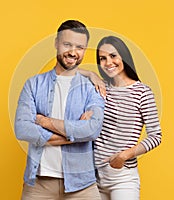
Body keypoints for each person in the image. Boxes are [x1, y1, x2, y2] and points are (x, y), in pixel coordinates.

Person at [14, 20, 105, 200]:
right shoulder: (33, 84)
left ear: (85, 50)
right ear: (56, 43)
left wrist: (44, 122)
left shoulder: (91, 88)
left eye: (79, 47)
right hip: (39, 183)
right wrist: (74, 134)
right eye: (67, 44)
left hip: (82, 184)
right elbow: (22, 128)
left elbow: (92, 129)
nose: (72, 52)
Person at [80, 36, 162, 200]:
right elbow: (66, 71)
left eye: (113, 56)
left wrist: (124, 155)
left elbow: (155, 136)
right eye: (102, 58)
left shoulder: (142, 92)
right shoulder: (101, 88)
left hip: (123, 178)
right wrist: (91, 74)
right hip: (93, 178)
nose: (108, 62)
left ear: (123, 56)